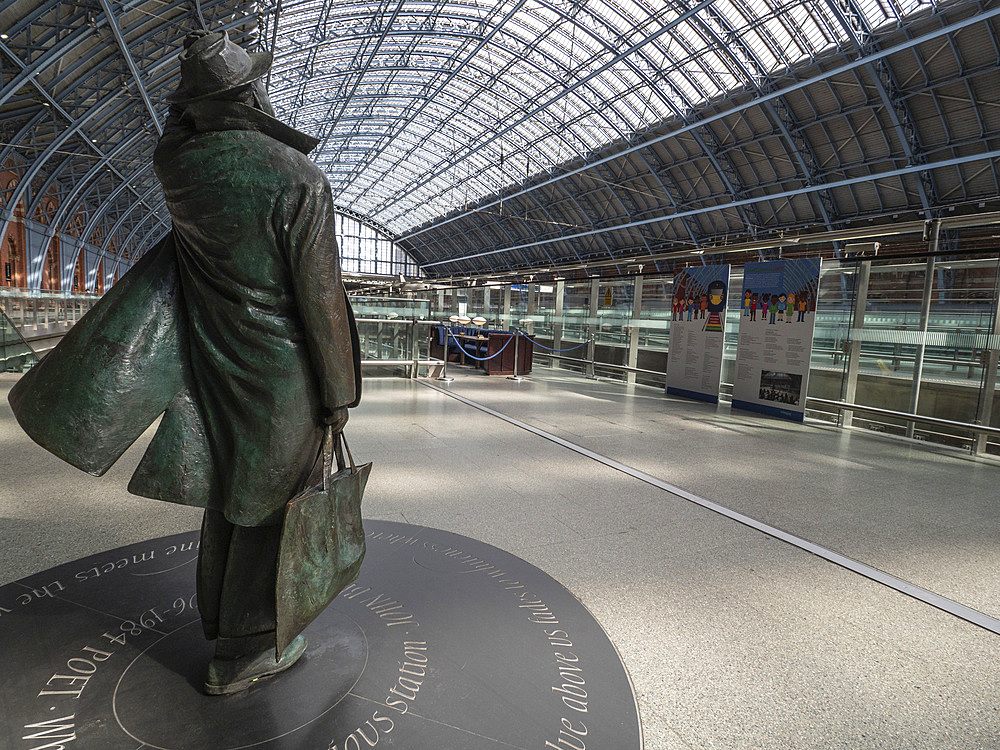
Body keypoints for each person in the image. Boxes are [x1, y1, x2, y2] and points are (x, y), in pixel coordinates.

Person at [9, 30, 362, 696]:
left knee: (232, 496)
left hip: (216, 356)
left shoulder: (180, 165)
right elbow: (321, 301)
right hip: (284, 372)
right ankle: (247, 652)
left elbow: (174, 134)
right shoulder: (297, 177)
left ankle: (223, 621)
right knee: (273, 506)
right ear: (252, 93)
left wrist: (192, 105)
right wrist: (339, 390)